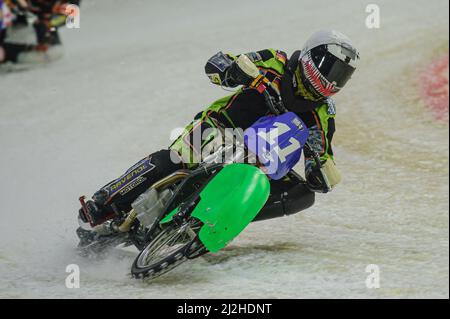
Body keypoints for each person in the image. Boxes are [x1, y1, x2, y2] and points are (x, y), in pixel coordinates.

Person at [79, 30, 360, 229]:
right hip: (220, 126)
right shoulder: (275, 62)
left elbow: (323, 157)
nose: (334, 81)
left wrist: (318, 173)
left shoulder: (322, 114)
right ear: (313, 58)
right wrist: (233, 72)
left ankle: (216, 221)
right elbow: (217, 63)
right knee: (176, 158)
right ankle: (105, 199)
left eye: (342, 76)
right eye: (332, 69)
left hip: (259, 163)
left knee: (302, 195)